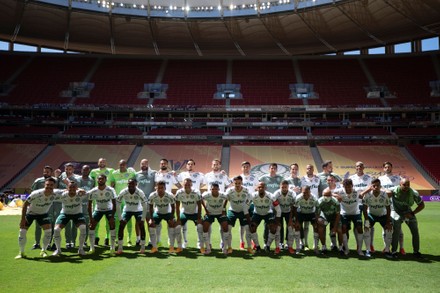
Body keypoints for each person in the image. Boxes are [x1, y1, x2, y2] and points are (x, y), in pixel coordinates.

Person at [15, 177, 62, 259]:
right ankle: (21, 252)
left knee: (48, 231)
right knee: (22, 231)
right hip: (31, 213)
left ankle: (43, 250)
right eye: (47, 185)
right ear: (45, 184)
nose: (49, 186)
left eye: (51, 185)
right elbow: (25, 204)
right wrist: (22, 219)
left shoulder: (56, 193)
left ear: (54, 186)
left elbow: (68, 190)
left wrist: (80, 191)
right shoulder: (36, 193)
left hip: (43, 214)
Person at [386, 178, 425, 258]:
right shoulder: (393, 190)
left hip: (408, 212)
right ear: (400, 184)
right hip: (396, 212)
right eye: (404, 185)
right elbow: (385, 193)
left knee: (415, 231)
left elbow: (422, 205)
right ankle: (394, 251)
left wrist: (412, 213)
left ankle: (416, 251)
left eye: (408, 185)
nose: (406, 186)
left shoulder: (414, 193)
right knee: (396, 231)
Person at [333, 179, 368, 257]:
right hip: (344, 213)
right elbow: (328, 192)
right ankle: (347, 249)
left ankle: (359, 250)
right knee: (344, 229)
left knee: (359, 228)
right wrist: (336, 195)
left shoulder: (357, 190)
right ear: (343, 186)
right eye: (346, 187)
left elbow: (369, 187)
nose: (348, 189)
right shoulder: (340, 191)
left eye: (349, 187)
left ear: (352, 186)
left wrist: (363, 193)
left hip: (356, 213)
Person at [52, 181, 87, 256]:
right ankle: (58, 250)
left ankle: (81, 249)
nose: (72, 189)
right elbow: (53, 191)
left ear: (76, 188)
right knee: (56, 230)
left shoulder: (80, 194)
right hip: (65, 213)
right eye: (70, 187)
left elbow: (87, 193)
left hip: (77, 214)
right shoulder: (63, 194)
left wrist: (81, 190)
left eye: (74, 187)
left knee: (83, 228)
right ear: (67, 188)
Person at [360, 178, 393, 258]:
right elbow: (364, 209)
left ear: (380, 186)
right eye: (374, 186)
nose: (376, 187)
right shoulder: (367, 195)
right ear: (371, 186)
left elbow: (388, 208)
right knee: (367, 229)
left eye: (377, 186)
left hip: (383, 215)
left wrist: (388, 221)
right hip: (371, 215)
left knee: (389, 230)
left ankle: (387, 250)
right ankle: (368, 250)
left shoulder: (384, 194)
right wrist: (367, 220)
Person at [379, 161, 406, 255]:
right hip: (384, 206)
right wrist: (387, 191)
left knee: (399, 228)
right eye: (385, 167)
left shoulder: (398, 178)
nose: (387, 168)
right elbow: (378, 189)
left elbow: (403, 188)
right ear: (383, 169)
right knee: (385, 228)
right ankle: (386, 247)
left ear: (391, 168)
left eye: (389, 167)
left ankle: (401, 248)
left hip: (395, 207)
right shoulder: (380, 179)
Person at [115, 179, 148, 254]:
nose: (131, 185)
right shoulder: (123, 191)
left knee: (141, 225)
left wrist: (143, 219)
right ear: (127, 184)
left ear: (136, 184)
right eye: (129, 184)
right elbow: (118, 204)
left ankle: (142, 247)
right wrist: (120, 218)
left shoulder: (140, 192)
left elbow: (145, 205)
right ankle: (120, 248)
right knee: (121, 225)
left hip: (138, 210)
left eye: (133, 184)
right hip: (127, 210)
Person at [177, 159, 205, 248]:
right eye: (188, 164)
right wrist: (182, 188)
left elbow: (204, 183)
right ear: (186, 165)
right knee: (183, 225)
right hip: (185, 200)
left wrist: (197, 188)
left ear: (194, 165)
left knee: (199, 226)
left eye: (192, 164)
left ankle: (199, 243)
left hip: (195, 199)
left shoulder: (199, 175)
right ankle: (184, 242)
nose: (190, 165)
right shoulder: (182, 174)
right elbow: (176, 181)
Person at [154, 158, 182, 246]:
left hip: (169, 201)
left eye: (165, 163)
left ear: (167, 165)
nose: (163, 165)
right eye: (161, 163)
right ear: (160, 165)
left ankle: (170, 240)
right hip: (158, 200)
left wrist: (176, 196)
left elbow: (179, 186)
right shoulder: (156, 174)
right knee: (157, 222)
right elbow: (154, 186)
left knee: (169, 221)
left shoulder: (171, 175)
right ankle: (158, 240)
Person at [87, 174, 117, 255]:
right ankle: (92, 247)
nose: (100, 180)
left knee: (112, 225)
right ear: (97, 180)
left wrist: (112, 216)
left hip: (109, 210)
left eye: (102, 179)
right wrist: (90, 218)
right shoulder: (93, 191)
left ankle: (112, 247)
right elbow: (89, 205)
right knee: (91, 226)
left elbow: (115, 204)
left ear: (105, 180)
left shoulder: (110, 190)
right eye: (99, 179)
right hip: (98, 210)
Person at [249, 182, 281, 254]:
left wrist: (277, 221)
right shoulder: (252, 195)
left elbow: (278, 209)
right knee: (252, 228)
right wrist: (249, 218)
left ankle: (268, 246)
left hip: (268, 213)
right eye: (259, 187)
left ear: (265, 188)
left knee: (273, 229)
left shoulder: (271, 196)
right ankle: (257, 247)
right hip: (257, 213)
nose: (261, 189)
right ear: (257, 188)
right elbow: (246, 206)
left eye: (262, 187)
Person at [224, 176, 253, 254]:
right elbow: (225, 199)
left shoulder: (246, 190)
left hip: (243, 212)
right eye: (235, 183)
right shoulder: (229, 190)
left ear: (242, 183)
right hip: (232, 211)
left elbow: (250, 199)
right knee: (228, 228)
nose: (237, 185)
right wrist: (224, 210)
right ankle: (229, 247)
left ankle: (249, 247)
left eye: (239, 183)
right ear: (233, 183)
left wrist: (246, 207)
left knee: (247, 228)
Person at [147, 181, 178, 253]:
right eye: (158, 188)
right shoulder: (152, 195)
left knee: (172, 224)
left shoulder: (170, 195)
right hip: (158, 213)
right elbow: (151, 208)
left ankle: (171, 246)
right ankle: (154, 247)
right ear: (156, 188)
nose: (160, 189)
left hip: (168, 213)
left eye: (162, 188)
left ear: (165, 188)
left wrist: (172, 218)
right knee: (151, 225)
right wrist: (151, 219)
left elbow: (173, 207)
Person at [89, 158, 114, 246]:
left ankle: (107, 238)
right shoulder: (93, 172)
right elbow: (91, 183)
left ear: (106, 163)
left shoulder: (111, 171)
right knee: (96, 220)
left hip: (107, 197)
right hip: (97, 197)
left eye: (103, 162)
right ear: (98, 163)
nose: (102, 163)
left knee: (109, 221)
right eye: (100, 162)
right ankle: (96, 237)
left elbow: (113, 182)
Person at [111, 159, 136, 246]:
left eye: (123, 165)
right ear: (118, 165)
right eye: (120, 165)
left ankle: (129, 239)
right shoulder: (114, 174)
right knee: (118, 219)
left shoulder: (131, 173)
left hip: (128, 200)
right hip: (118, 200)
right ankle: (118, 238)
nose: (122, 166)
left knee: (128, 220)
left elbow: (137, 177)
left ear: (126, 165)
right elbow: (112, 185)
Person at [258, 163, 284, 249]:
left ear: (276, 170)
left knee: (279, 223)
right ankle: (266, 242)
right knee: (267, 223)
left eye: (274, 168)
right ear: (269, 169)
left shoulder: (280, 178)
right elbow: (257, 186)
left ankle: (281, 242)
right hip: (267, 204)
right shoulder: (263, 178)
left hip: (277, 203)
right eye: (271, 168)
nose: (273, 169)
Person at [350, 161, 374, 251]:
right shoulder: (351, 178)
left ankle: (370, 245)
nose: (359, 168)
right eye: (357, 166)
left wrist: (363, 193)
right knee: (357, 225)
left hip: (368, 203)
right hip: (356, 204)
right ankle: (358, 244)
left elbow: (371, 187)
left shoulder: (368, 177)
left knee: (369, 224)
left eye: (360, 166)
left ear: (363, 167)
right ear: (355, 168)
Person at [29, 165, 54, 250]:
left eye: (48, 171)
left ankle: (48, 243)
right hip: (39, 207)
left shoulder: (55, 181)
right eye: (44, 171)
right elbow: (32, 192)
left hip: (50, 206)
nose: (45, 173)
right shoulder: (38, 181)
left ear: (51, 172)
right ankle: (37, 243)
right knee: (38, 226)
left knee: (50, 225)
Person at [175, 178, 203, 252]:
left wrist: (199, 217)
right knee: (178, 227)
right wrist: (178, 218)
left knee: (200, 227)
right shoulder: (179, 192)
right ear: (183, 184)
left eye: (188, 184)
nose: (187, 186)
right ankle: (182, 244)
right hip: (184, 213)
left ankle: (199, 244)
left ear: (191, 185)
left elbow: (199, 206)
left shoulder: (196, 192)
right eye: (185, 184)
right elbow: (177, 206)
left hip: (195, 213)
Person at [200, 183, 229, 254]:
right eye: (212, 189)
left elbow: (227, 198)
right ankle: (208, 248)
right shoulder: (207, 195)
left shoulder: (222, 195)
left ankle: (224, 247)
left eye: (216, 189)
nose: (214, 190)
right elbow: (200, 198)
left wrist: (224, 209)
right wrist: (205, 209)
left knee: (225, 227)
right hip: (210, 213)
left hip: (220, 213)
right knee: (205, 227)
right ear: (210, 189)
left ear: (218, 189)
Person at [58, 162, 81, 249]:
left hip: (74, 202)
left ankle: (73, 241)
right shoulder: (61, 176)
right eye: (66, 169)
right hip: (64, 202)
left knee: (75, 224)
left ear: (73, 170)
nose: (68, 171)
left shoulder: (77, 178)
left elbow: (78, 189)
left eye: (70, 169)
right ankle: (68, 242)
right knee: (66, 224)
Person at [136, 158, 156, 247]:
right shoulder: (136, 174)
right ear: (140, 164)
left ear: (148, 164)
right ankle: (138, 239)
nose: (143, 165)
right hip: (139, 201)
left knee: (149, 220)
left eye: (145, 163)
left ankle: (150, 240)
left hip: (149, 201)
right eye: (142, 163)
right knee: (138, 221)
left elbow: (163, 174)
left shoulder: (153, 173)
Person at [300, 164, 321, 249]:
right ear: (306, 170)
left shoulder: (317, 179)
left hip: (314, 204)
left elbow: (319, 190)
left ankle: (316, 244)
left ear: (313, 169)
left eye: (310, 168)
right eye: (307, 168)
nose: (309, 169)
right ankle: (305, 243)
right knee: (306, 225)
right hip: (305, 204)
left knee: (316, 225)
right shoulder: (302, 179)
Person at [272, 180, 297, 253]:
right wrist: (277, 218)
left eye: (285, 187)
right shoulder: (276, 193)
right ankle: (280, 244)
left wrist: (291, 218)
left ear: (288, 187)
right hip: (279, 211)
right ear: (280, 187)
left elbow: (293, 206)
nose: (284, 189)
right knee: (279, 227)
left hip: (289, 211)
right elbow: (274, 206)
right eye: (282, 187)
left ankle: (288, 244)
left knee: (289, 227)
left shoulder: (292, 194)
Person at [238, 161, 258, 250]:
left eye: (247, 166)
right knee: (242, 225)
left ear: (250, 168)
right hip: (241, 204)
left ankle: (252, 241)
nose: (246, 168)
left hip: (251, 204)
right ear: (241, 168)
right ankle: (242, 242)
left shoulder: (254, 178)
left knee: (251, 223)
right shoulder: (238, 178)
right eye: (244, 167)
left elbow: (257, 188)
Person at [316, 188, 342, 254]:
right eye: (324, 195)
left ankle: (341, 247)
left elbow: (338, 215)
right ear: (322, 195)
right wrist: (319, 221)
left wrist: (335, 227)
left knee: (339, 230)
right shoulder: (319, 202)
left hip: (334, 217)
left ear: (331, 195)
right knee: (320, 229)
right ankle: (324, 246)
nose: (326, 197)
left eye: (328, 196)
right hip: (325, 216)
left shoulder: (336, 202)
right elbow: (317, 215)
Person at [294, 185, 319, 253]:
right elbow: (295, 208)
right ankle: (298, 247)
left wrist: (317, 218)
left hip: (311, 213)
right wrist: (296, 220)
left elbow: (317, 208)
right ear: (302, 192)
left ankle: (315, 247)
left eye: (307, 192)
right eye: (303, 192)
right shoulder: (298, 197)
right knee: (297, 227)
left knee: (316, 227)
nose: (305, 194)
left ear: (310, 192)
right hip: (301, 213)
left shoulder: (314, 198)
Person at [78, 165, 95, 248]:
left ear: (89, 171)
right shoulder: (77, 179)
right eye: (84, 170)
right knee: (75, 224)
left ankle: (84, 241)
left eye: (87, 170)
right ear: (81, 170)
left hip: (87, 205)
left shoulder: (92, 180)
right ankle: (71, 242)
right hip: (77, 205)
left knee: (87, 224)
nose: (85, 171)